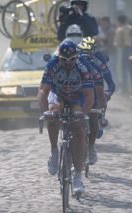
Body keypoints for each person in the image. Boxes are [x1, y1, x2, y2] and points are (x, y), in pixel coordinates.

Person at [38, 39, 94, 194]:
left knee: (79, 128)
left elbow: (90, 95)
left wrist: (84, 113)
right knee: (53, 112)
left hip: (77, 97)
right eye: (64, 61)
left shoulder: (83, 65)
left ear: (77, 57)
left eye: (72, 61)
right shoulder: (52, 63)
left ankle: (77, 176)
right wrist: (45, 111)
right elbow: (43, 91)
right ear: (59, 58)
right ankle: (54, 151)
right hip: (59, 95)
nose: (68, 64)